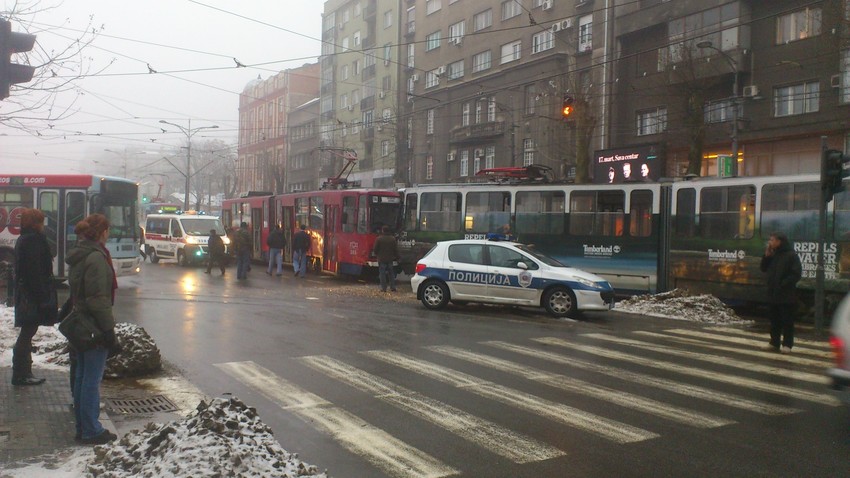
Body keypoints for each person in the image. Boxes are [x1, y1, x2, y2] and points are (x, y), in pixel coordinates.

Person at [66, 213, 121, 445]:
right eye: (107, 230)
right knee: (91, 379)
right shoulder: (96, 258)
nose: (108, 234)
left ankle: (83, 427)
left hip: (80, 324)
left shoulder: (80, 253)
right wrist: (109, 332)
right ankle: (91, 430)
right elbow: (99, 299)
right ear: (102, 232)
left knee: (81, 376)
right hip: (93, 327)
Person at [12, 208, 57, 386]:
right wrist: (43, 299)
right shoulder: (33, 241)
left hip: (27, 296)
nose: (43, 225)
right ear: (36, 223)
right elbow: (34, 273)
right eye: (41, 221)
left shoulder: (25, 238)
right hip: (32, 298)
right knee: (27, 333)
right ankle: (21, 374)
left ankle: (23, 372)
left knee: (27, 333)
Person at [760, 231, 802, 354]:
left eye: (772, 240)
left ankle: (787, 344)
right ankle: (774, 342)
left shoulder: (791, 255)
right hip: (773, 293)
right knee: (774, 320)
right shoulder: (773, 254)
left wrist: (783, 284)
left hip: (786, 294)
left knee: (787, 320)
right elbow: (763, 268)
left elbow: (796, 274)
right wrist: (766, 256)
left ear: (779, 241)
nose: (770, 242)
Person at [372, 225, 399, 292]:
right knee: (391, 274)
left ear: (382, 230)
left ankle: (383, 288)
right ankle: (393, 287)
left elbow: (375, 249)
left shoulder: (379, 239)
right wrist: (397, 256)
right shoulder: (392, 239)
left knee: (382, 274)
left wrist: (377, 254)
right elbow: (395, 249)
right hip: (390, 259)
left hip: (381, 259)